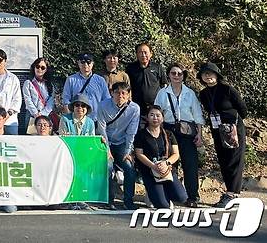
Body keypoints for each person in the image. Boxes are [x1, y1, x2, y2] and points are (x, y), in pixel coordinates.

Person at [197, 62, 248, 207]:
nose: (208, 76)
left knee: (234, 160)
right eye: (204, 73)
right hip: (218, 130)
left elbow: (243, 110)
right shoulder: (204, 94)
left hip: (233, 130)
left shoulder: (228, 89)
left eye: (210, 73)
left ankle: (233, 193)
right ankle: (230, 192)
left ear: (217, 75)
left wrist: (232, 122)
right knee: (224, 160)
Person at [154, 63, 205, 207]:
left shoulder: (190, 93)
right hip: (169, 131)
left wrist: (199, 135)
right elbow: (157, 113)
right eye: (173, 73)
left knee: (190, 165)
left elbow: (197, 115)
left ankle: (193, 196)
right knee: (170, 163)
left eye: (179, 73)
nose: (176, 76)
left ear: (184, 76)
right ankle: (171, 194)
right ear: (169, 75)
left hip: (187, 131)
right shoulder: (162, 93)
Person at [134, 105, 188, 209]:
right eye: (152, 115)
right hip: (150, 171)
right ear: (147, 117)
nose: (155, 118)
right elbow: (139, 154)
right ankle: (151, 194)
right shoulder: (141, 134)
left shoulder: (168, 134)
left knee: (181, 198)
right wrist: (153, 166)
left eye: (158, 115)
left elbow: (176, 154)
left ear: (162, 118)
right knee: (163, 205)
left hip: (167, 170)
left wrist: (166, 163)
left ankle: (167, 192)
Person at [97, 82, 140, 210]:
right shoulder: (103, 105)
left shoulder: (134, 109)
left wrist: (127, 152)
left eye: (123, 93)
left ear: (128, 95)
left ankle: (128, 200)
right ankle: (108, 200)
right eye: (117, 92)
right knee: (108, 168)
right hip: (106, 142)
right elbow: (101, 128)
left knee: (129, 168)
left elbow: (131, 132)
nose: (120, 96)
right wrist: (107, 150)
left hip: (122, 142)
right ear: (111, 93)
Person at [62, 53, 110, 122]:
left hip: (97, 120)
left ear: (92, 63)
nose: (86, 65)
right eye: (82, 62)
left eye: (88, 62)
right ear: (78, 63)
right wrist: (71, 120)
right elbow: (66, 101)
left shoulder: (100, 80)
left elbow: (106, 101)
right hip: (77, 121)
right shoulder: (71, 80)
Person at [126, 42, 167, 119]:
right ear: (137, 54)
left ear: (151, 54)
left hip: (155, 106)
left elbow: (164, 85)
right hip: (137, 107)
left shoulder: (157, 67)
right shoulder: (130, 68)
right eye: (140, 52)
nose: (143, 55)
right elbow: (127, 87)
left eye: (145, 52)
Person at [22, 57, 57, 134]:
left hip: (46, 116)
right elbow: (28, 100)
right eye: (37, 66)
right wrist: (36, 114)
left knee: (46, 139)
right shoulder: (28, 83)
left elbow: (51, 101)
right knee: (31, 139)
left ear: (46, 70)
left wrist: (43, 114)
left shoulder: (50, 85)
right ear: (34, 67)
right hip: (32, 115)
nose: (39, 69)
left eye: (43, 67)